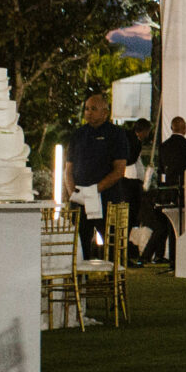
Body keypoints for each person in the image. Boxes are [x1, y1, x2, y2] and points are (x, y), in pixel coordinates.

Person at [68, 93, 138, 258]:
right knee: (79, 244)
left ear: (105, 113)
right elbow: (68, 170)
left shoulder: (117, 134)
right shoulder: (77, 134)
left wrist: (94, 190)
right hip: (80, 201)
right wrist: (74, 193)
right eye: (86, 109)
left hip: (107, 198)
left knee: (112, 245)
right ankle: (80, 279)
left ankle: (112, 280)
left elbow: (119, 170)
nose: (88, 112)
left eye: (93, 109)